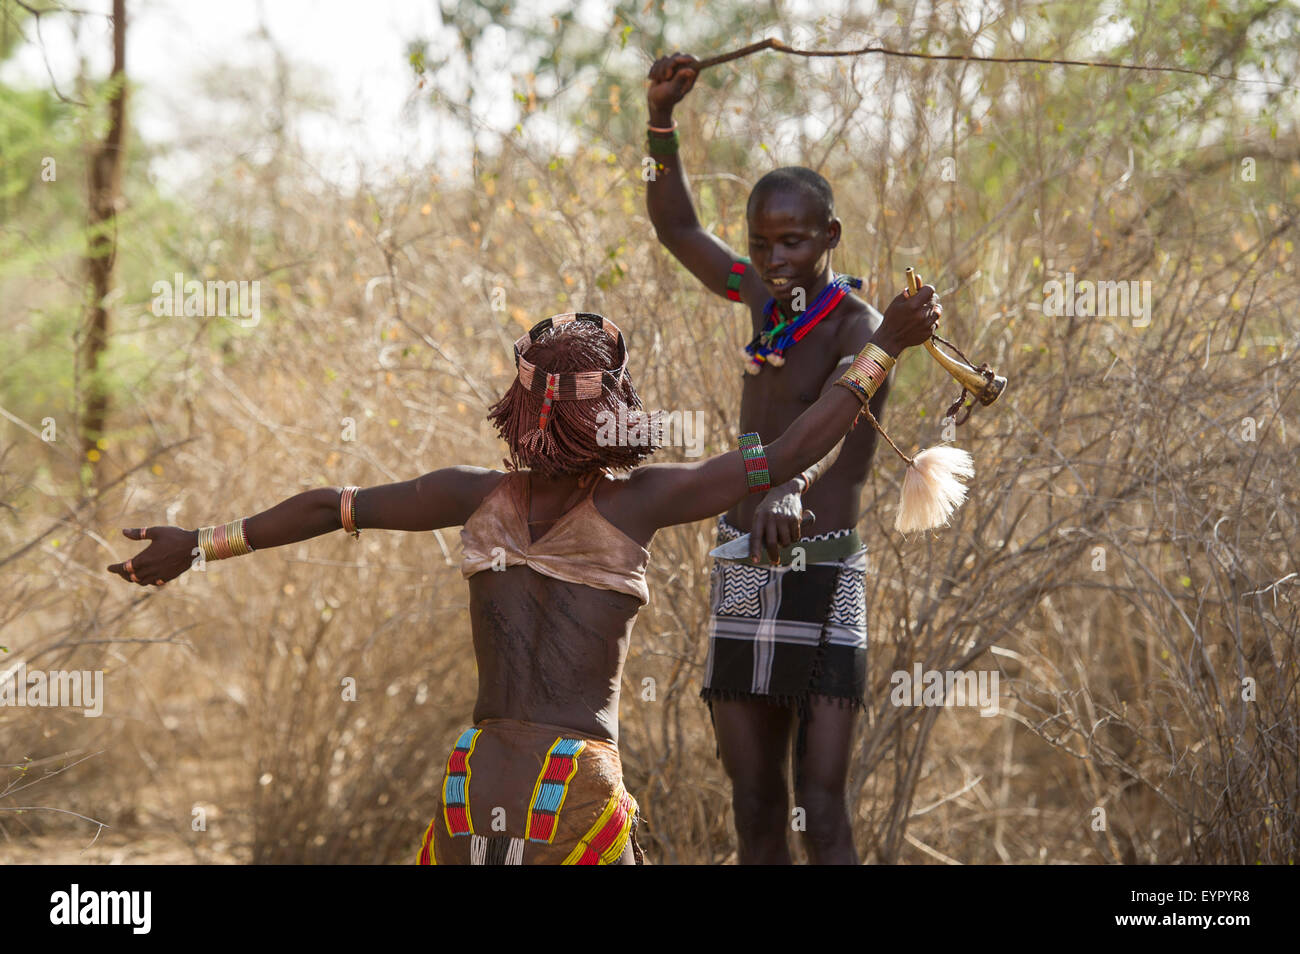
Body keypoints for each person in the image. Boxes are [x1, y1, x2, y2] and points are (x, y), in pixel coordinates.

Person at [106, 302, 938, 865]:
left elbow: (332, 504)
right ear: (609, 410)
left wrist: (201, 544)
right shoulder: (645, 501)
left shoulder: (471, 495)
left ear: (520, 405)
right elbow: (793, 450)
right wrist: (885, 345)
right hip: (571, 787)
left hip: (475, 782)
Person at [643, 52, 942, 863]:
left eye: (793, 242)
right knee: (755, 803)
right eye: (761, 244)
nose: (774, 260)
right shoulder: (759, 298)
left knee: (821, 800)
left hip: (826, 563)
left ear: (831, 238)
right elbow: (675, 228)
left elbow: (838, 428)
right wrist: (660, 121)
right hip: (745, 557)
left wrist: (788, 487)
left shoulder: (865, 329)